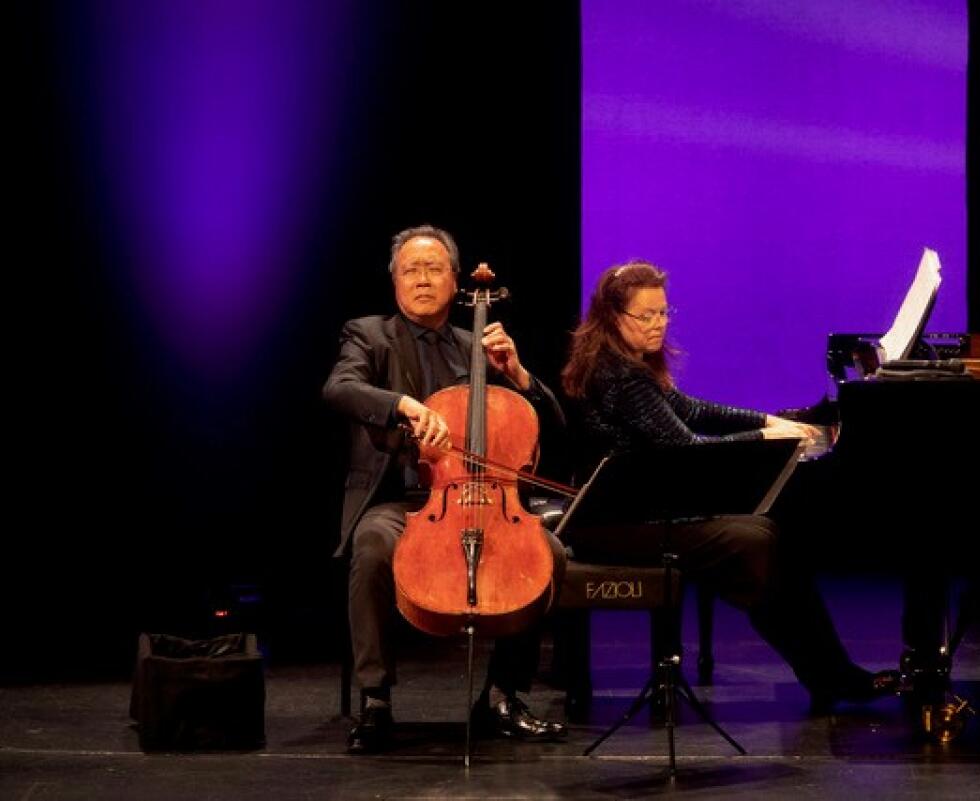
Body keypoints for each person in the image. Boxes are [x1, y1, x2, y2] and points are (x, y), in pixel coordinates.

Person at [560, 260, 899, 712]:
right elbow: (686, 449)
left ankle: (830, 674)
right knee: (756, 540)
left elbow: (692, 411)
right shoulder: (617, 376)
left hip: (638, 510)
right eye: (647, 316)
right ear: (613, 318)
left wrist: (768, 420)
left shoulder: (627, 364)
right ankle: (830, 675)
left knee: (769, 537)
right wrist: (765, 440)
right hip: (613, 522)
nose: (659, 324)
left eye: (664, 313)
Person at [323, 225, 567, 754]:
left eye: (434, 269)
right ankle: (376, 699)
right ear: (395, 283)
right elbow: (339, 389)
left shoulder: (477, 346)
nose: (422, 279)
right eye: (410, 270)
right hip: (400, 501)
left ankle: (503, 696)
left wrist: (519, 375)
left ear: (456, 281)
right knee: (371, 546)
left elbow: (551, 421)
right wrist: (402, 405)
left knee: (549, 552)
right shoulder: (368, 335)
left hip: (481, 501)